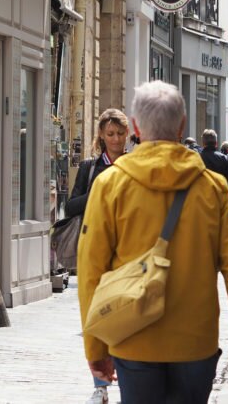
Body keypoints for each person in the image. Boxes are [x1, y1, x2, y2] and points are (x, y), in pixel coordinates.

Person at [77, 81, 228, 402]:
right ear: (182, 125)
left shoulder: (110, 184)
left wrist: (96, 347)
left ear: (135, 126)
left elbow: (91, 270)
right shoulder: (212, 187)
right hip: (195, 341)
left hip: (132, 336)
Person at [64, 108, 129, 404]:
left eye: (120, 133)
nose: (115, 139)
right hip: (97, 254)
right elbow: (71, 205)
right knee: (98, 322)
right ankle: (100, 386)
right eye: (110, 134)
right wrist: (101, 191)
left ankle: (128, 385)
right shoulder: (91, 168)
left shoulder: (135, 164)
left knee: (127, 324)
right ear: (101, 135)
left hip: (129, 253)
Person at [200, 129, 228, 209]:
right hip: (220, 201)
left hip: (201, 202)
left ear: (203, 143)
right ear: (216, 143)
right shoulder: (224, 158)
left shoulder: (197, 158)